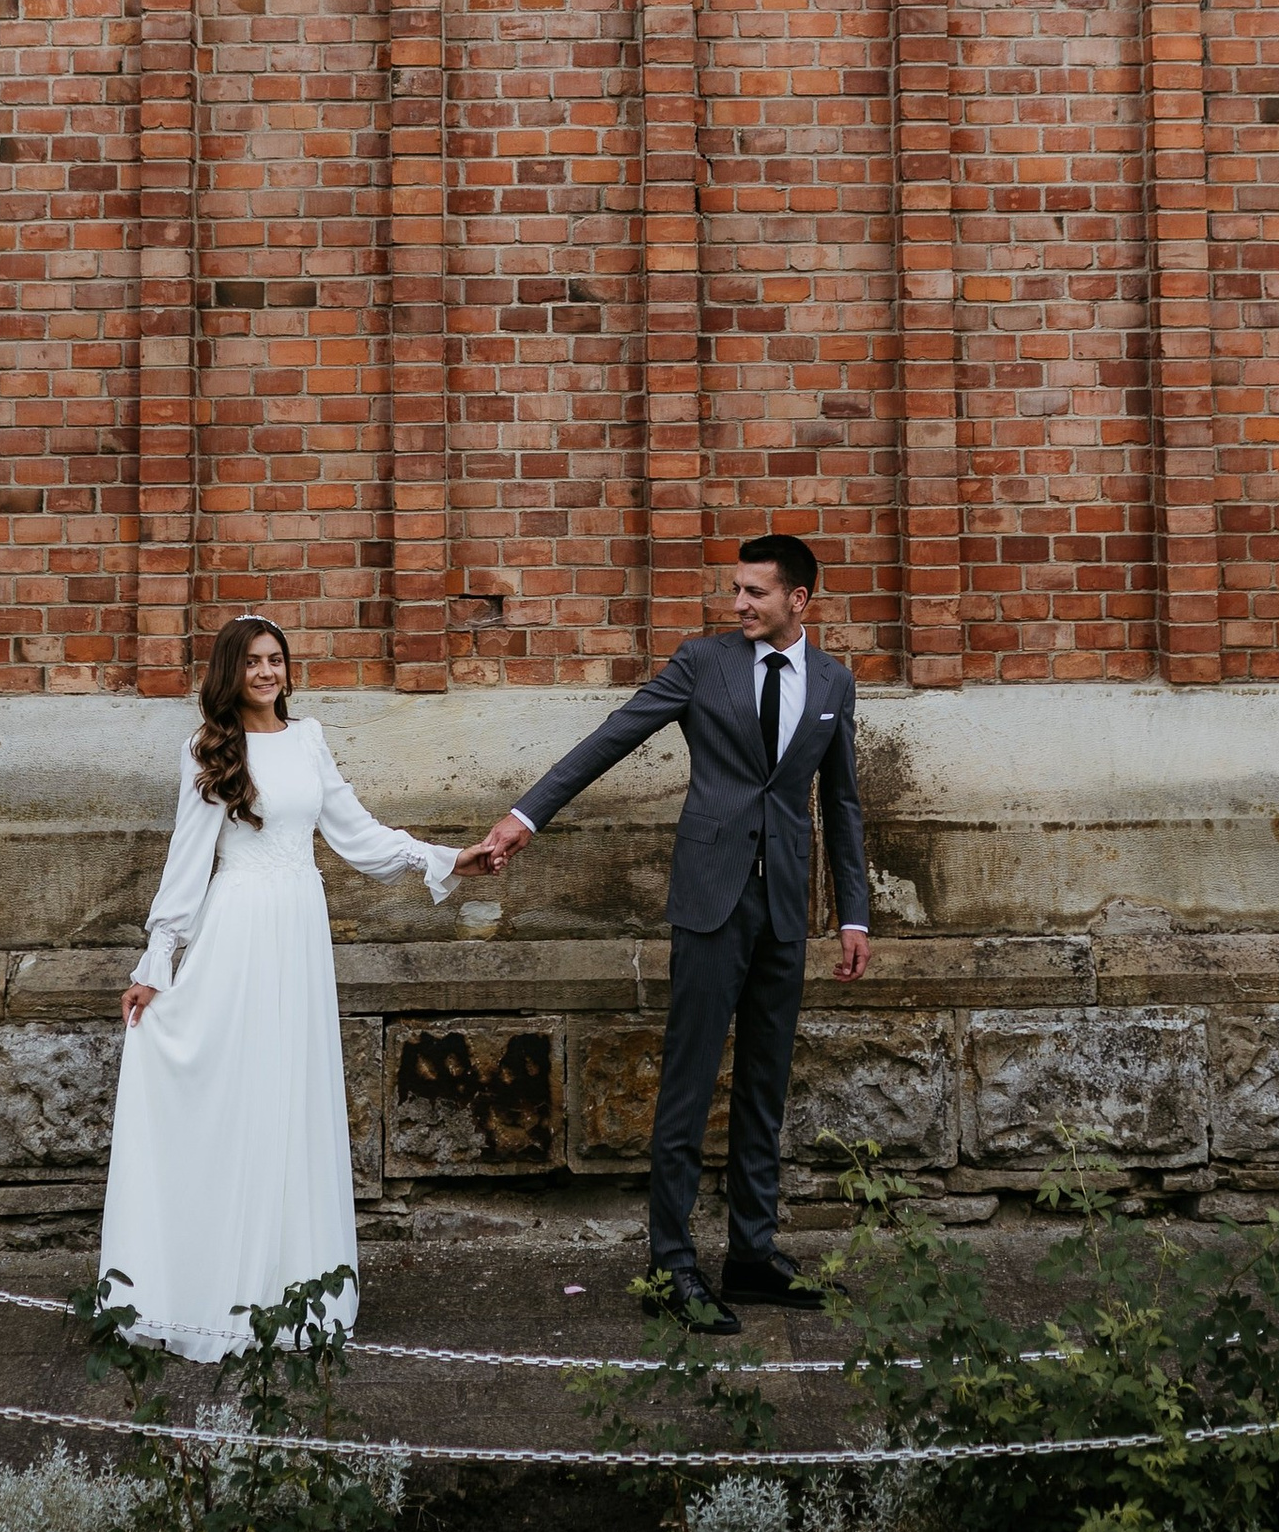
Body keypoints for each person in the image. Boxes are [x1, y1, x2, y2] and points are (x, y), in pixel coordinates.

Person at [460, 531, 869, 1332]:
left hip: (786, 905)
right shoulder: (700, 662)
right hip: (712, 901)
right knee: (687, 1084)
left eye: (756, 591)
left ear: (800, 601)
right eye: (737, 589)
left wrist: (851, 912)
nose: (739, 603)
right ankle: (671, 1263)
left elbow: (843, 804)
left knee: (765, 1083)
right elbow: (612, 738)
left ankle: (752, 1252)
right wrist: (522, 819)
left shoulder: (833, 683)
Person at [98, 611, 458, 1359]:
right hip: (237, 933)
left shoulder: (309, 739)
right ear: (231, 673)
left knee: (290, 1094)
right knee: (239, 1095)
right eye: (254, 662)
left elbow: (356, 834)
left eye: (276, 659)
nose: (267, 672)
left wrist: (439, 860)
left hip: (298, 932)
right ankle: (213, 1289)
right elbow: (188, 859)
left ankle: (291, 1286)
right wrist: (155, 967)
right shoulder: (209, 749)